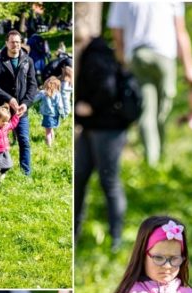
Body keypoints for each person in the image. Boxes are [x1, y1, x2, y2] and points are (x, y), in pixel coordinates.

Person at [108, 1, 192, 167]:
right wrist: (189, 66)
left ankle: (152, 160)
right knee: (163, 108)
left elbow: (117, 35)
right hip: (164, 55)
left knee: (146, 110)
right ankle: (161, 155)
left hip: (137, 56)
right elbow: (180, 32)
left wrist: (123, 64)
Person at [74, 25, 130, 251]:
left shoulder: (97, 54)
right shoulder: (92, 51)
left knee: (109, 180)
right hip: (92, 129)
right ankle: (74, 235)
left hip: (107, 130)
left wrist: (89, 106)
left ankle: (116, 239)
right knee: (79, 179)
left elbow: (107, 89)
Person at [0, 30, 38, 176]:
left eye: (17, 41)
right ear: (6, 43)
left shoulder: (28, 61)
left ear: (21, 42)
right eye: (12, 41)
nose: (15, 44)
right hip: (1, 110)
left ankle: (25, 173)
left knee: (24, 141)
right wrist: (9, 98)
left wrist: (26, 103)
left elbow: (33, 85)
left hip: (21, 110)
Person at [35, 76, 66, 147]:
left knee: (48, 132)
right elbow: (60, 106)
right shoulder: (57, 94)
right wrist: (62, 114)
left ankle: (49, 146)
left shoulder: (43, 93)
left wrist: (28, 102)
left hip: (47, 116)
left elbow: (34, 99)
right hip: (55, 115)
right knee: (51, 129)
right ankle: (53, 142)